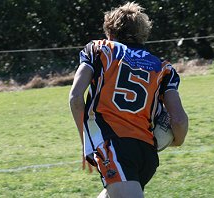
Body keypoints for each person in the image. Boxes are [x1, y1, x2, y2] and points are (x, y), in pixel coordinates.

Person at [69, 2, 188, 198]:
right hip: (147, 154)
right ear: (143, 34)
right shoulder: (163, 68)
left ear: (110, 33)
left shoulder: (100, 49)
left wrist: (86, 142)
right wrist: (177, 141)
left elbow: (75, 98)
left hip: (114, 146)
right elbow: (179, 120)